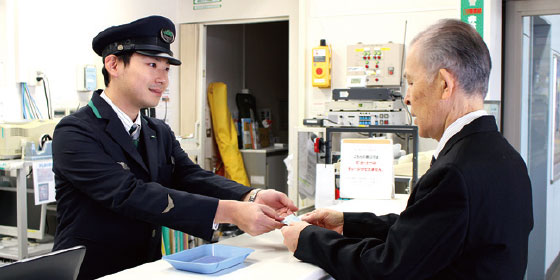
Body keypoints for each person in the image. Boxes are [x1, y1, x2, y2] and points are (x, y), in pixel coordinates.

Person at [281, 19, 533, 280]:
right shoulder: (506, 157)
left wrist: (308, 240)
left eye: (411, 83)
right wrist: (348, 222)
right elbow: (425, 233)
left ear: (444, 84)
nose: (407, 98)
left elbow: (388, 267)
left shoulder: (454, 173)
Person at [52, 15, 297, 280]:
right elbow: (129, 194)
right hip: (90, 270)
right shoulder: (76, 131)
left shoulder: (157, 131)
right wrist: (231, 212)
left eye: (167, 68)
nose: (162, 79)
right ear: (113, 64)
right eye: (152, 64)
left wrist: (250, 196)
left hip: (143, 268)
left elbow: (189, 176)